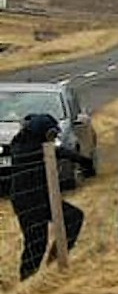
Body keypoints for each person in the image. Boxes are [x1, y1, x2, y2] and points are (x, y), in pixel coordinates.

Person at [6, 113, 89, 281]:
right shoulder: (23, 148)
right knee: (36, 242)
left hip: (44, 197)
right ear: (40, 132)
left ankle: (57, 260)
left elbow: (55, 150)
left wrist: (82, 160)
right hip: (27, 202)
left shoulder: (31, 141)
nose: (54, 138)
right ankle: (27, 281)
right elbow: (56, 151)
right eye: (51, 134)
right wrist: (81, 159)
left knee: (73, 217)